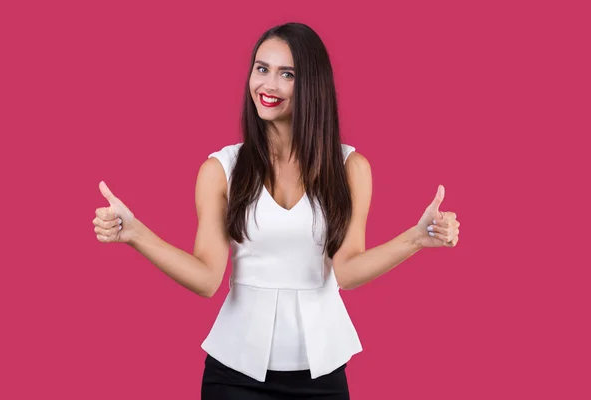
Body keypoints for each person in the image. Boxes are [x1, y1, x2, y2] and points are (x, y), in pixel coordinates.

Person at [92, 22, 460, 399]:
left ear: (312, 84)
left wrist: (417, 238)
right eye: (261, 69)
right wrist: (135, 233)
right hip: (234, 376)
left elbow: (347, 271)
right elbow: (206, 278)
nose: (268, 85)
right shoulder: (221, 171)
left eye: (287, 74)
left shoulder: (351, 168)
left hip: (322, 376)